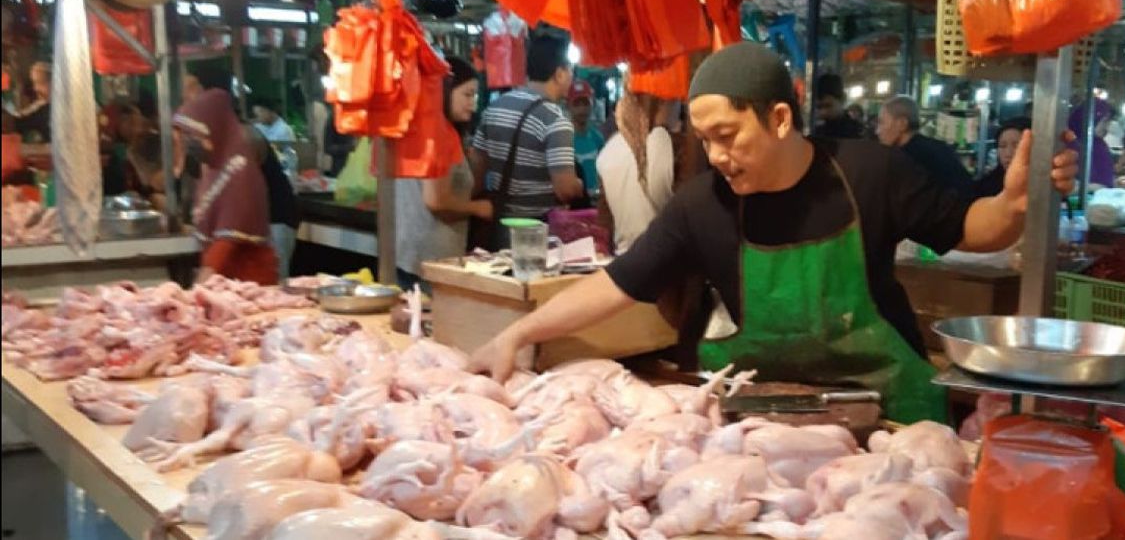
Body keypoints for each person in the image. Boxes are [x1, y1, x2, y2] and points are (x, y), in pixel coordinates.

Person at [468, 42, 1078, 424]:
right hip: (766, 420)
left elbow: (977, 230)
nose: (715, 156)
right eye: (703, 140)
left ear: (780, 118)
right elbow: (617, 284)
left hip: (891, 413)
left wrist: (1016, 202)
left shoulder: (870, 172)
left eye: (728, 136)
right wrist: (516, 334)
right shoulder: (700, 204)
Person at [396, 56, 494, 289]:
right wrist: (480, 208)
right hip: (432, 260)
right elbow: (436, 200)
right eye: (467, 95)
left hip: (410, 254)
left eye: (475, 96)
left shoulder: (416, 126)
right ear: (445, 90)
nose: (473, 103)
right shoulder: (437, 133)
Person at [469, 32, 583, 228]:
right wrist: (578, 185)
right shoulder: (555, 119)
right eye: (570, 70)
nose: (571, 78)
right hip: (538, 230)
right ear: (560, 73)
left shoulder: (495, 108)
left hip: (499, 224)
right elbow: (564, 189)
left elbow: (476, 175)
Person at [174, 82, 278, 285]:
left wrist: (202, 281)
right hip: (225, 282)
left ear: (215, 129)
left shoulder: (240, 168)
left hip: (250, 283)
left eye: (196, 135)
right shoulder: (213, 168)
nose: (192, 142)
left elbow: (229, 235)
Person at [596, 91, 674, 254]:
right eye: (673, 102)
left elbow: (605, 223)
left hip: (624, 259)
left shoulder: (609, 149)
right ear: (661, 104)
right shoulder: (667, 142)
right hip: (668, 260)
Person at [877, 96, 973, 194]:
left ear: (902, 124)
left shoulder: (907, 159)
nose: (878, 131)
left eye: (882, 123)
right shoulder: (938, 147)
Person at [246, 126, 300, 283]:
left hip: (277, 216)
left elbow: (242, 184)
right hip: (264, 218)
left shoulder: (248, 137)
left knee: (274, 283)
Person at [972, 118, 1030, 200]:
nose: (1008, 153)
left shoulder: (1044, 186)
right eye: (1002, 146)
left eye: (1017, 146)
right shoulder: (984, 188)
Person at [567, 79, 607, 199]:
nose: (582, 109)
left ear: (592, 105)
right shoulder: (563, 139)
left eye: (585, 104)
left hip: (595, 201)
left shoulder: (597, 138)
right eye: (577, 104)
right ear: (568, 106)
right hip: (573, 202)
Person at [1068, 99, 1116, 190]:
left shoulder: (1099, 145)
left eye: (1109, 122)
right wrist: (1098, 188)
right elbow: (1066, 186)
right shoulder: (1071, 145)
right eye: (1105, 121)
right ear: (1090, 120)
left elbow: (1105, 179)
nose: (1107, 127)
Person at [812, 73, 865, 139]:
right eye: (819, 107)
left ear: (842, 100)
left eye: (828, 106)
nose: (823, 112)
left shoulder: (855, 132)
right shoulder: (817, 131)